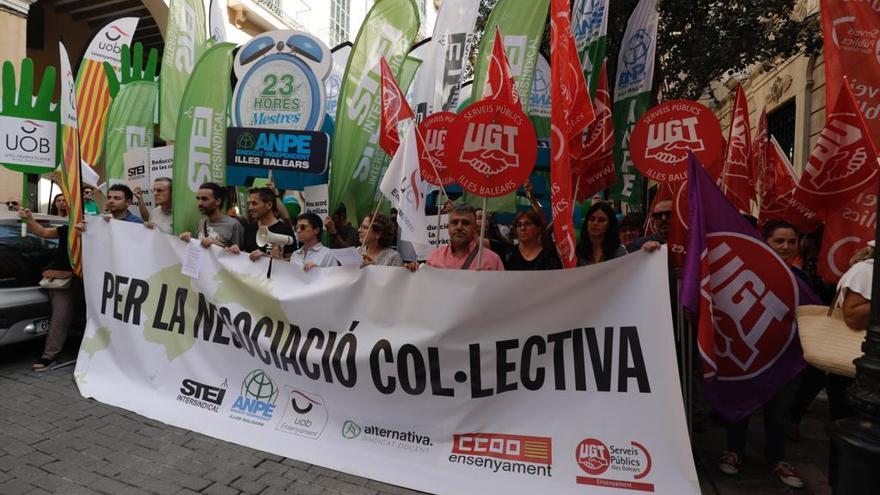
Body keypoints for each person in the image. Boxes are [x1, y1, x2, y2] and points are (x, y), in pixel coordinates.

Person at [18, 208, 84, 372]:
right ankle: (49, 355)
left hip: (89, 279)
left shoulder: (99, 230)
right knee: (60, 317)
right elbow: (43, 233)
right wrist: (30, 218)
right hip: (64, 278)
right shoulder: (66, 229)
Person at [409, 204, 504, 271]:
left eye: (465, 223)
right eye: (454, 223)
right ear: (448, 227)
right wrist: (413, 271)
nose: (459, 227)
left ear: (475, 227)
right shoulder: (434, 257)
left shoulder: (492, 260)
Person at [227, 187, 296, 262]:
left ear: (269, 205)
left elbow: (293, 262)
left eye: (254, 203)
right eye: (249, 204)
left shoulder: (285, 230)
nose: (250, 208)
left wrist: (268, 257)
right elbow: (245, 254)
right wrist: (236, 251)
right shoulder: (249, 228)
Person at [179, 182, 244, 249]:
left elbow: (238, 255)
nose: (200, 203)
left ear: (218, 201)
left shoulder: (233, 225)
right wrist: (189, 241)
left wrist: (216, 244)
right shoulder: (202, 222)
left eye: (204, 199)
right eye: (198, 199)